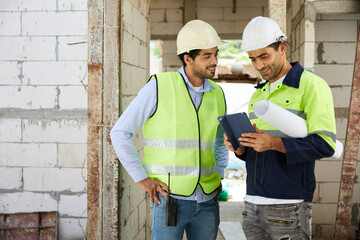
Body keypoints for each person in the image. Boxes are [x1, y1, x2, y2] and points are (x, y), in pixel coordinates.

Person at [110, 19, 228, 240]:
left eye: (215, 54)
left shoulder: (218, 93)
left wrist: (219, 173)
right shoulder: (159, 86)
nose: (215, 61)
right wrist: (142, 179)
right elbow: (119, 133)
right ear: (187, 58)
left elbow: (219, 141)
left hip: (208, 200)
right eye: (207, 56)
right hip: (170, 200)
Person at [224, 16, 336, 239]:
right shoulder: (258, 94)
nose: (259, 65)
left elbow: (326, 145)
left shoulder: (311, 86)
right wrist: (240, 149)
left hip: (289, 205)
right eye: (253, 59)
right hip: (252, 204)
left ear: (282, 48)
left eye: (264, 56)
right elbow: (260, 153)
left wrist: (275, 143)